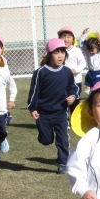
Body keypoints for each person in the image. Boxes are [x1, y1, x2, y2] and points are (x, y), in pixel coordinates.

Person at [27, 38, 78, 174]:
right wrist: (32, 108)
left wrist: (72, 96)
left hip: (61, 113)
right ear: (50, 55)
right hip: (44, 114)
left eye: (62, 52)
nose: (60, 55)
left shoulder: (67, 72)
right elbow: (34, 91)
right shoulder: (40, 72)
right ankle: (43, 135)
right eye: (56, 52)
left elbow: (72, 88)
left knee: (63, 138)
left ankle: (63, 163)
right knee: (46, 140)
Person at [57, 26, 87, 113]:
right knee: (62, 102)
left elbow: (83, 63)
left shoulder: (76, 51)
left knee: (74, 102)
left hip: (75, 81)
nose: (66, 39)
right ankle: (64, 122)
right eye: (63, 37)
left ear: (73, 39)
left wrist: (75, 70)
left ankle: (73, 122)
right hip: (62, 82)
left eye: (68, 37)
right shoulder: (58, 51)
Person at [79, 28, 100, 96]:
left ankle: (95, 93)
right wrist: (83, 35)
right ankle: (89, 91)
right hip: (90, 72)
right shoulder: (88, 53)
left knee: (97, 87)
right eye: (89, 49)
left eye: (92, 49)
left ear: (97, 47)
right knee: (88, 83)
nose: (90, 51)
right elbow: (81, 45)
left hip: (98, 72)